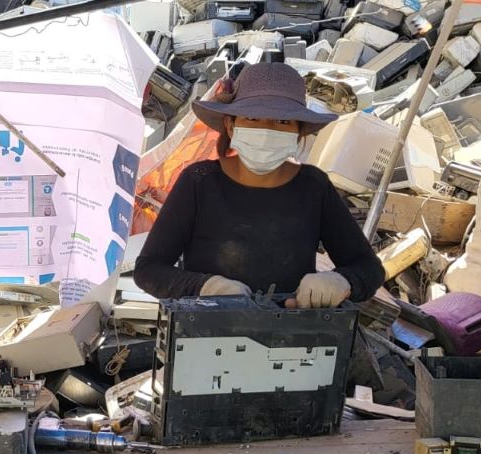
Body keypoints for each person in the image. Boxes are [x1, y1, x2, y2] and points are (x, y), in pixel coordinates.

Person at [134, 63, 385, 308]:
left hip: (292, 334)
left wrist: (342, 281)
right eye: (253, 118)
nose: (266, 129)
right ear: (231, 126)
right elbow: (149, 270)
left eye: (283, 122)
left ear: (299, 133)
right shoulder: (198, 182)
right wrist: (206, 287)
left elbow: (369, 269)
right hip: (207, 333)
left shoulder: (314, 187)